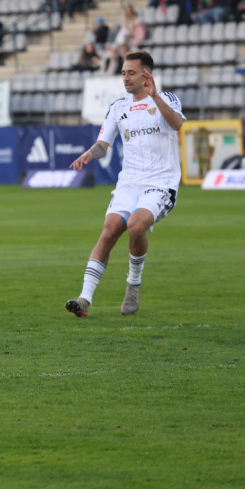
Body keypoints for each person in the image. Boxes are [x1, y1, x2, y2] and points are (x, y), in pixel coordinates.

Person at [65, 50, 185, 318]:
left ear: (147, 75)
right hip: (129, 183)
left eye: (131, 73)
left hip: (160, 183)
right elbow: (103, 146)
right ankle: (84, 298)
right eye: (123, 73)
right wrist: (89, 153)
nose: (125, 78)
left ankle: (133, 284)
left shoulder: (167, 99)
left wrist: (154, 95)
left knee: (135, 225)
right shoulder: (119, 107)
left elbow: (177, 125)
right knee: (109, 231)